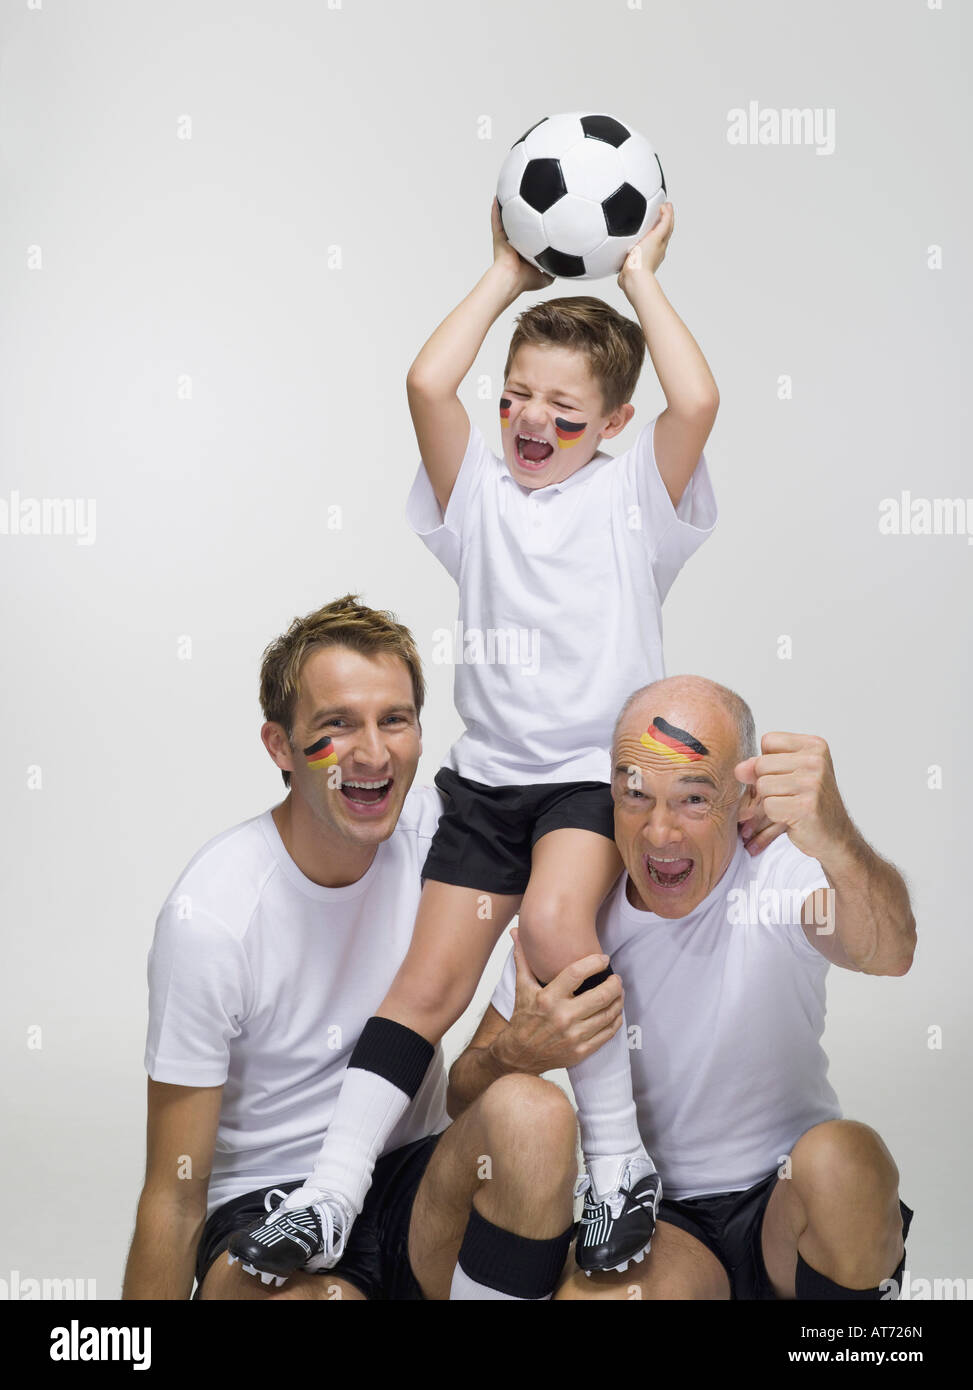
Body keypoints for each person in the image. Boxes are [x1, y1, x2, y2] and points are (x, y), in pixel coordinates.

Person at [231, 198, 721, 1281]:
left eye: (562, 406)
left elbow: (699, 396)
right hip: (489, 783)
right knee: (424, 986)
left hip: (592, 782)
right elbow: (422, 383)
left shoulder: (637, 500)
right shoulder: (479, 498)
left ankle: (618, 1160)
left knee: (553, 921)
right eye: (514, 397)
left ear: (614, 423)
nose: (530, 419)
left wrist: (639, 277)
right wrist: (504, 274)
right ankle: (330, 1192)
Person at [121, 595, 585, 1303]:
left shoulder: (445, 840)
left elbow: (602, 847)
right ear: (279, 745)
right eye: (337, 725)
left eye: (393, 720)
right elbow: (174, 1193)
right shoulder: (210, 916)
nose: (372, 753)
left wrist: (750, 826)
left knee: (534, 1114)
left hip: (409, 1181)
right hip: (269, 1204)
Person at [452, 675, 916, 1298]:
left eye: (695, 799)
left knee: (848, 1160)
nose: (660, 832)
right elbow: (462, 1093)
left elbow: (889, 952)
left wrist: (837, 839)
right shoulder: (574, 915)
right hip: (664, 1223)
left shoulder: (777, 872)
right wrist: (519, 1054)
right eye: (635, 795)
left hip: (786, 1202)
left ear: (746, 800)